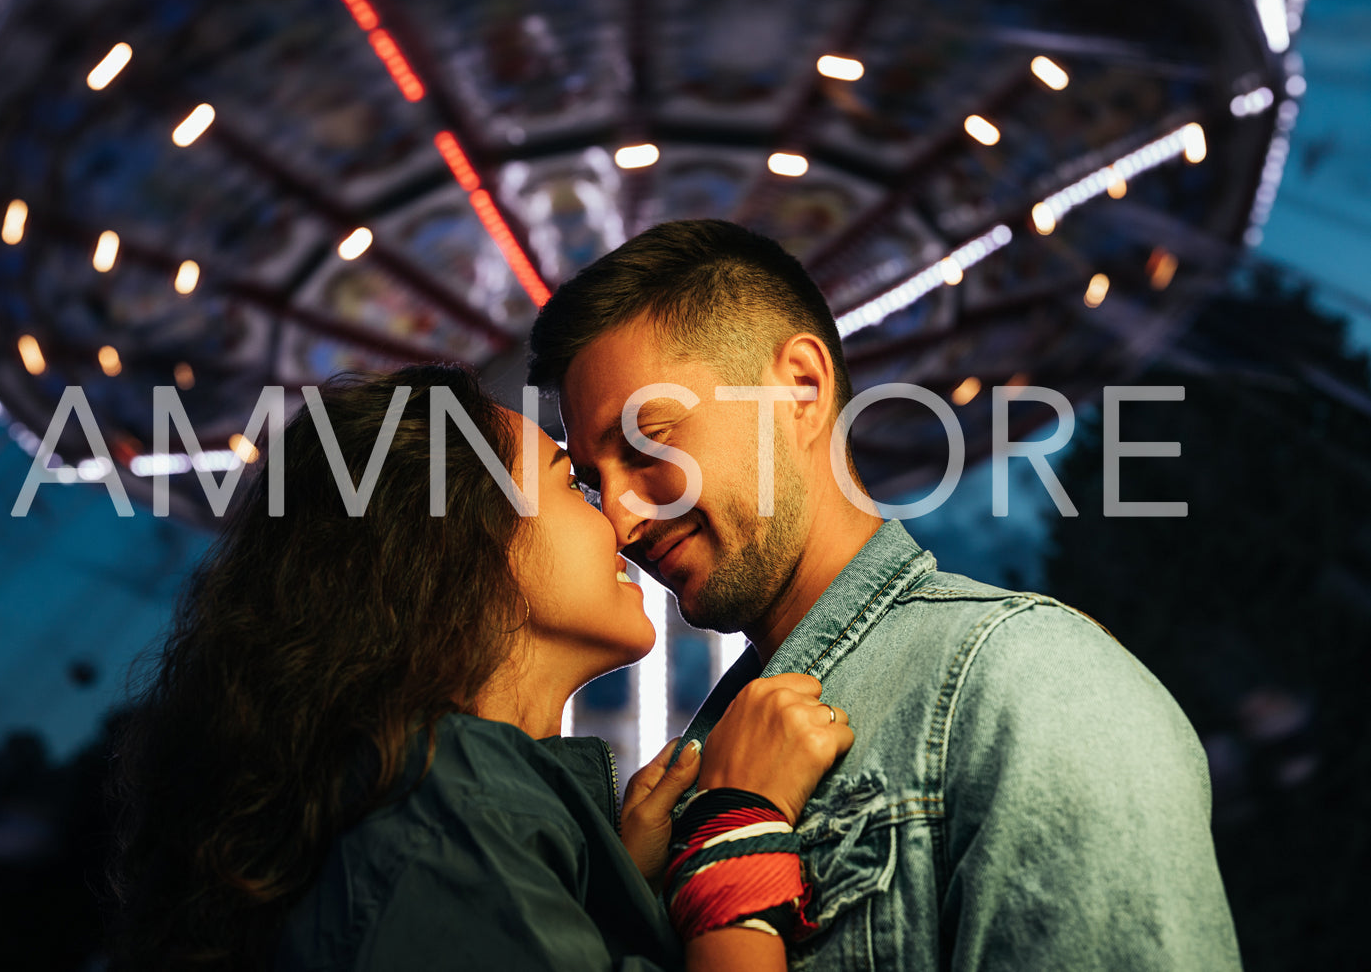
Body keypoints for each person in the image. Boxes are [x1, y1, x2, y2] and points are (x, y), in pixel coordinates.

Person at [528, 219, 1243, 970]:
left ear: (801, 387)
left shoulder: (1023, 680)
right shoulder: (685, 787)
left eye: (649, 444)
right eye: (590, 479)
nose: (617, 518)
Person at [106, 364, 853, 972]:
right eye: (572, 485)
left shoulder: (434, 809)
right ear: (465, 545)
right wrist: (736, 834)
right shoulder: (443, 821)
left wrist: (602, 884)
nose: (621, 521)